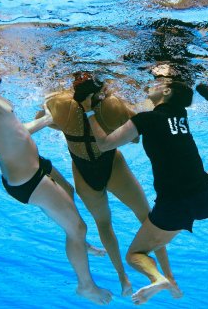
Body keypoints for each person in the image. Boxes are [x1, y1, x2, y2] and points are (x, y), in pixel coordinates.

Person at [79, 63, 208, 304]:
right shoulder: (181, 117)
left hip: (172, 208)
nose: (150, 85)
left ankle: (157, 278)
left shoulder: (146, 119)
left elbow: (105, 144)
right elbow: (164, 113)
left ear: (167, 92)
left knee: (134, 255)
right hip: (202, 196)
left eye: (157, 84)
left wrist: (89, 111)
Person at [0, 57, 112, 305]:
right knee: (77, 228)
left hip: (36, 165)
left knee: (69, 191)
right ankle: (86, 286)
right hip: (28, 180)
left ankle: (80, 243)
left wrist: (46, 120)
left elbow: (17, 131)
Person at [41, 71, 180, 297]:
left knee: (103, 225)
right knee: (147, 217)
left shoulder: (59, 103)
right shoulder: (112, 105)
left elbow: (46, 120)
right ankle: (167, 275)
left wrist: (68, 128)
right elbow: (134, 137)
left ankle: (122, 278)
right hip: (112, 165)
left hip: (83, 171)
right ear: (100, 90)